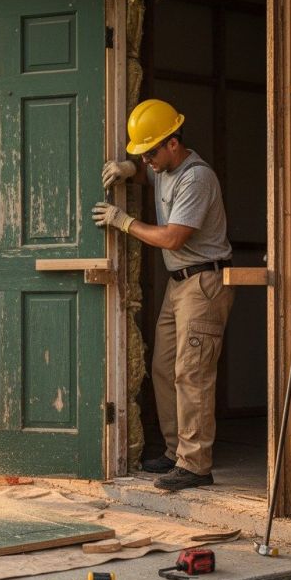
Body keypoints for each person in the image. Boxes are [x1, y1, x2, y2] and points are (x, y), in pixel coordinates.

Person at [92, 99, 234, 492]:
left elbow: (172, 236)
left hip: (204, 284)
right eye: (143, 153)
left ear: (174, 143)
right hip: (179, 284)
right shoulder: (163, 169)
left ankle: (195, 464)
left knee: (193, 372)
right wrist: (130, 169)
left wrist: (124, 221)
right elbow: (148, 177)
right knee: (163, 367)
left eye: (151, 151)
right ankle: (176, 452)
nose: (148, 160)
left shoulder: (196, 178)